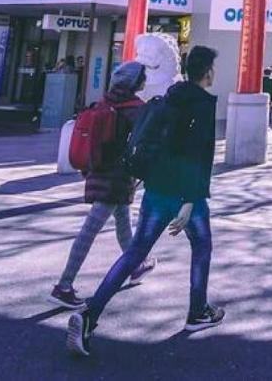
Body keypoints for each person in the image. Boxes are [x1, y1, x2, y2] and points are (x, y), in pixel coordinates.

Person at [67, 45, 223, 357]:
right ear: (207, 72)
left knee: (136, 251)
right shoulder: (202, 104)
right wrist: (191, 200)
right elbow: (198, 155)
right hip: (184, 193)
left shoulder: (170, 97)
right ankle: (197, 311)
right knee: (202, 246)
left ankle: (90, 314)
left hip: (156, 187)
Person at [50, 61, 155, 309]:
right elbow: (145, 142)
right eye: (142, 77)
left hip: (97, 171)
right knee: (90, 230)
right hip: (117, 177)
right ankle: (63, 285)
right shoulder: (135, 109)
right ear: (135, 82)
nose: (144, 80)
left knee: (122, 221)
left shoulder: (103, 103)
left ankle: (136, 264)